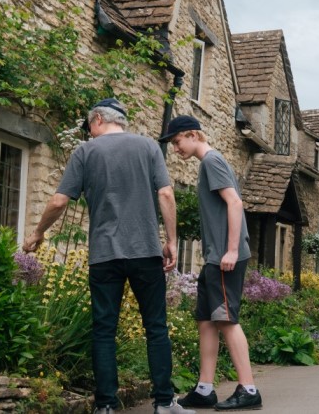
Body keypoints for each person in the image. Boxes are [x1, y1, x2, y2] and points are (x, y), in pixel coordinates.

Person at [22, 99, 193, 414]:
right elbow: (166, 194)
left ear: (98, 119)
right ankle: (164, 403)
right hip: (144, 251)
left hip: (104, 255)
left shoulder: (85, 152)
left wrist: (37, 233)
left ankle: (105, 407)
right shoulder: (148, 147)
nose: (89, 131)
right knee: (155, 326)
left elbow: (60, 201)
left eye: (89, 125)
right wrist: (171, 241)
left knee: (104, 329)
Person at [159, 116, 262, 411]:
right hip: (215, 258)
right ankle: (205, 389)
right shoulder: (208, 164)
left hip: (225, 258)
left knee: (226, 320)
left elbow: (235, 203)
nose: (176, 148)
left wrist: (230, 250)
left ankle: (249, 389)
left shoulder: (212, 161)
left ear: (193, 135)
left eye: (177, 141)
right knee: (207, 320)